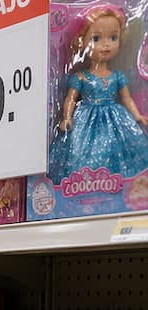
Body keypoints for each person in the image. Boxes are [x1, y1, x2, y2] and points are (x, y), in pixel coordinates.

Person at [48, 4, 148, 183]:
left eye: (113, 37)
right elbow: (71, 98)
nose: (106, 44)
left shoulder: (117, 76)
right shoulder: (81, 77)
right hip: (85, 118)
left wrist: (137, 116)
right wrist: (67, 118)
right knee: (82, 151)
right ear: (82, 41)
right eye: (96, 38)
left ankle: (120, 183)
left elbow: (126, 98)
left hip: (116, 118)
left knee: (117, 150)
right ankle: (87, 183)